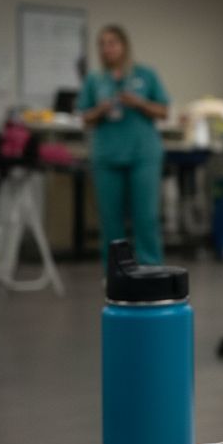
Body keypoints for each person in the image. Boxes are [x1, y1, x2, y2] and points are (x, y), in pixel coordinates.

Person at [77, 24, 170, 268]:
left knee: (145, 218)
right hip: (107, 155)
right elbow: (84, 117)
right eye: (102, 44)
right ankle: (115, 272)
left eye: (112, 43)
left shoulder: (144, 75)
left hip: (143, 154)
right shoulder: (95, 80)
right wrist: (101, 109)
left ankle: (151, 270)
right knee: (111, 221)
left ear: (124, 45)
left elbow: (163, 110)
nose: (107, 49)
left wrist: (138, 102)